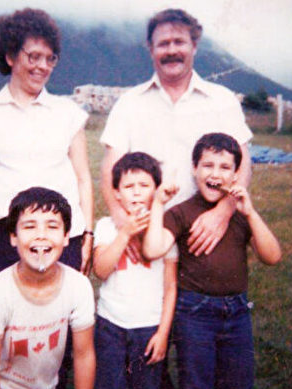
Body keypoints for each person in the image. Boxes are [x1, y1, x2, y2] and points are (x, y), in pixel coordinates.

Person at [100, 8, 253, 263]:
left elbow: (243, 163)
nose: (171, 50)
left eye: (179, 42)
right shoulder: (129, 103)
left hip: (204, 230)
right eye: (163, 44)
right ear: (151, 49)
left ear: (194, 46)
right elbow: (110, 168)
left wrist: (223, 213)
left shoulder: (223, 101)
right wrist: (123, 222)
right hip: (148, 231)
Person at [0, 8, 93, 288]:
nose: (42, 66)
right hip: (2, 244)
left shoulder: (69, 113)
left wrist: (87, 234)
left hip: (63, 240)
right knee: (6, 313)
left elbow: (83, 179)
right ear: (10, 56)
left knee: (61, 312)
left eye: (50, 58)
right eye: (34, 56)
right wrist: (1, 225)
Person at [143, 133, 282, 389]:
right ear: (194, 168)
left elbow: (272, 256)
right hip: (195, 314)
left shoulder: (239, 213)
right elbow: (152, 249)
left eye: (225, 167)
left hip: (237, 313)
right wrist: (159, 204)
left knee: (238, 388)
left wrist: (251, 213)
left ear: (236, 174)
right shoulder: (182, 212)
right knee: (197, 388)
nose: (215, 174)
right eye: (207, 165)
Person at [0, 187, 96, 389]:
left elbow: (84, 356)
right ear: (13, 237)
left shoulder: (78, 286)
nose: (41, 235)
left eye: (52, 226)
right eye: (29, 226)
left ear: (66, 237)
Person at [92, 152, 178, 389]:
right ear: (117, 193)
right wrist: (125, 234)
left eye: (144, 186)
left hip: (149, 327)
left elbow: (171, 286)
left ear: (156, 190)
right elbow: (101, 270)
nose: (137, 193)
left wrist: (163, 333)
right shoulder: (106, 227)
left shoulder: (165, 231)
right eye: (129, 187)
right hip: (111, 324)